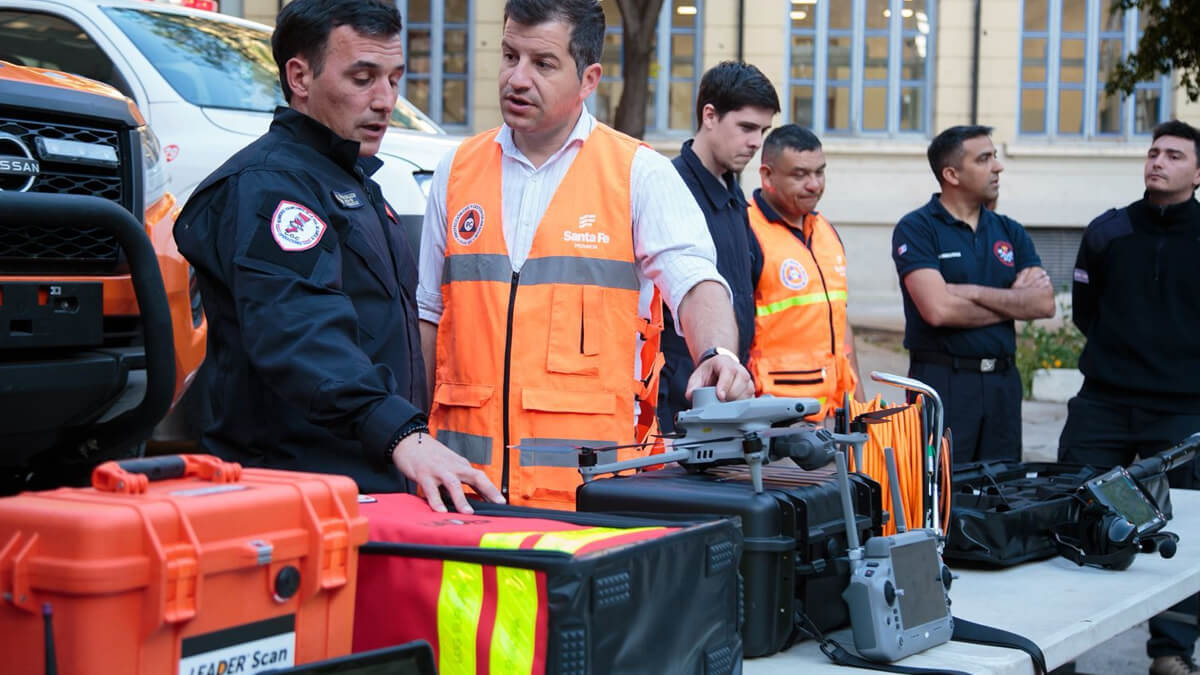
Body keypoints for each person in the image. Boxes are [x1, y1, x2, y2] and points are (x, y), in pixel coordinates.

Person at [417, 0, 754, 509]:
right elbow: (429, 316)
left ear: (589, 78)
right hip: (464, 497)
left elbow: (694, 280)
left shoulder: (638, 174)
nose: (516, 78)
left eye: (543, 63)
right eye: (509, 56)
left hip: (592, 502)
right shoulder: (455, 172)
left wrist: (718, 354)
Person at [174, 0, 502, 513]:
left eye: (394, 79)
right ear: (300, 76)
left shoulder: (348, 180)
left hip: (361, 486)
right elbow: (300, 331)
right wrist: (404, 438)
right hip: (289, 497)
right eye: (363, 78)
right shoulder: (273, 187)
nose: (384, 100)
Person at [1058, 119, 1200, 675]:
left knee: (1184, 531)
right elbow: (1087, 313)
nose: (1157, 162)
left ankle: (1171, 651)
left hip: (1186, 409)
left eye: (1172, 154)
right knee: (1074, 515)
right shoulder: (1107, 232)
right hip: (1104, 404)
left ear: (1196, 170)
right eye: (1152, 152)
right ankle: (1060, 645)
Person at [891, 125, 1054, 464]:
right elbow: (938, 310)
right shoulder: (918, 228)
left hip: (1002, 385)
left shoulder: (1009, 230)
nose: (998, 167)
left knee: (1001, 493)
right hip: (944, 382)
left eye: (994, 157)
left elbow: (1043, 303)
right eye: (984, 159)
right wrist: (1012, 302)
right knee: (941, 492)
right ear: (951, 174)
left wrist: (973, 292)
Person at [657, 61, 779, 432]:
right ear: (709, 115)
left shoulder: (733, 193)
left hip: (727, 396)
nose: (757, 142)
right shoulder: (667, 189)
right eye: (746, 127)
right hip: (679, 405)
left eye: (763, 130)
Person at [746, 125, 862, 419]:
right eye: (800, 175)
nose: (814, 185)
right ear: (767, 175)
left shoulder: (826, 231)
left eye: (819, 172)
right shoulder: (745, 231)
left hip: (836, 414)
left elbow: (840, 319)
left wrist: (858, 404)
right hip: (776, 419)